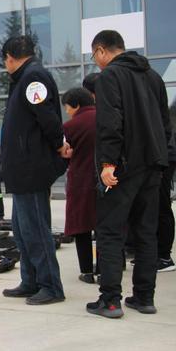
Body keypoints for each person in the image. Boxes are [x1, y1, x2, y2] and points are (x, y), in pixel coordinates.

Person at [88, 30, 171, 318]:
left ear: (101, 50)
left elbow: (110, 121)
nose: (96, 62)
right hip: (153, 166)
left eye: (94, 56)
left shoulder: (110, 76)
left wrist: (107, 163)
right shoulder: (154, 77)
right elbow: (165, 124)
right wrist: (162, 158)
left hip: (122, 167)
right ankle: (144, 298)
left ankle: (110, 300)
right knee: (146, 233)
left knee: (110, 232)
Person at [0, 35, 67, 305]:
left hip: (31, 168)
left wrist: (60, 144)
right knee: (21, 228)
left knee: (36, 229)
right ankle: (30, 281)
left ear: (11, 57)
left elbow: (48, 118)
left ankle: (50, 285)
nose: (5, 65)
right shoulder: (25, 79)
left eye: (4, 60)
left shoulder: (32, 77)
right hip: (21, 170)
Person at [61, 88, 98, 284]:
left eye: (67, 107)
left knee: (81, 226)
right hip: (106, 179)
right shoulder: (106, 117)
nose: (67, 111)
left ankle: (86, 271)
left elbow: (64, 152)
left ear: (76, 105)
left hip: (81, 180)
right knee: (104, 227)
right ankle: (103, 270)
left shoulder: (71, 126)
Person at [157, 135, 176, 272]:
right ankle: (160, 254)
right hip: (162, 152)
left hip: (166, 154)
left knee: (162, 206)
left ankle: (165, 257)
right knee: (158, 205)